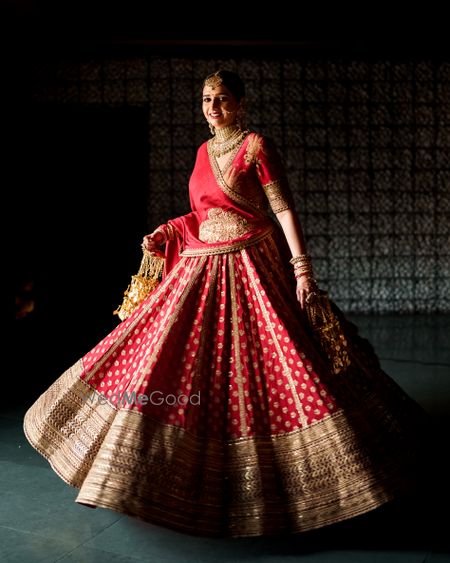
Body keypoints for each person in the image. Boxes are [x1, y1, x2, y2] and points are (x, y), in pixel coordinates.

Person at [23, 70, 426, 538]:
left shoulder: (256, 146)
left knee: (279, 362)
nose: (212, 107)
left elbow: (282, 210)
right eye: (206, 99)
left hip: (252, 265)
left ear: (241, 103)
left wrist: (301, 270)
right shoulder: (201, 151)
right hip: (199, 265)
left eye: (222, 99)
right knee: (169, 358)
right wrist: (169, 231)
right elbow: (201, 214)